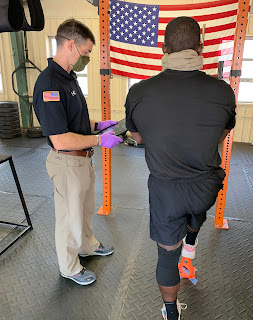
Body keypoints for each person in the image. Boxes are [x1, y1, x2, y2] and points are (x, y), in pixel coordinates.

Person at [125, 17, 236, 320]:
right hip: (206, 187)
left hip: (166, 191)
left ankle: (171, 311)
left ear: (164, 48)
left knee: (166, 255)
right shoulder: (224, 91)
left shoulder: (138, 92)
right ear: (201, 47)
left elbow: (137, 137)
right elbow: (222, 135)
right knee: (196, 209)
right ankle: (190, 248)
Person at [33, 19, 122, 286]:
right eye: (86, 52)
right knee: (68, 217)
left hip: (82, 161)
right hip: (66, 162)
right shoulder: (50, 83)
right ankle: (70, 267)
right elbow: (59, 139)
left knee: (83, 211)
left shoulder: (69, 78)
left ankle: (88, 246)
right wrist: (97, 139)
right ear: (71, 45)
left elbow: (74, 120)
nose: (87, 58)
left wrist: (100, 125)